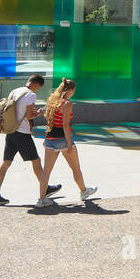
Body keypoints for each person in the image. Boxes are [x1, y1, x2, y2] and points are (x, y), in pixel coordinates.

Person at [0, 74, 62, 206]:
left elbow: (17, 111)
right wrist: (39, 113)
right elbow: (29, 115)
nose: (37, 90)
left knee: (6, 163)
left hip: (11, 130)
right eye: (38, 87)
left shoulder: (15, 91)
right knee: (36, 160)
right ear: (36, 84)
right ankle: (45, 188)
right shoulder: (31, 95)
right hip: (22, 133)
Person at [37, 78, 98, 207]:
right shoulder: (67, 104)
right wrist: (69, 143)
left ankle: (41, 199)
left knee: (46, 171)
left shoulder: (52, 101)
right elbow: (65, 124)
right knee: (75, 168)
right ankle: (83, 191)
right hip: (63, 139)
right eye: (74, 90)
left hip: (49, 138)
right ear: (71, 90)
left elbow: (47, 117)